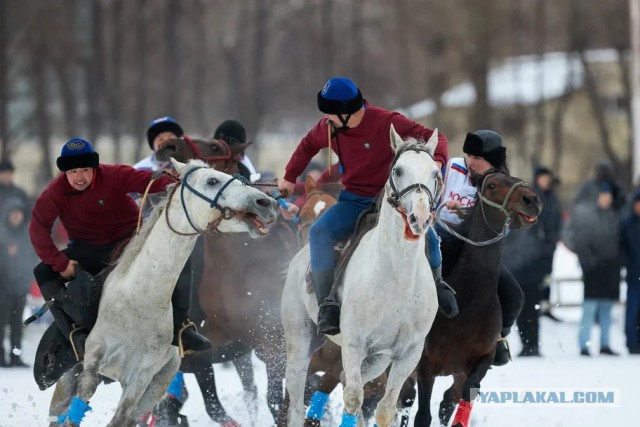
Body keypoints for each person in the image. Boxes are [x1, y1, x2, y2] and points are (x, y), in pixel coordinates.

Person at [277, 77, 452, 335]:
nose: (326, 117)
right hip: (353, 200)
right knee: (318, 233)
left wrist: (435, 162)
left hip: (392, 202)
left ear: (346, 112)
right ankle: (327, 304)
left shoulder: (387, 121)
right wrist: (289, 178)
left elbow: (435, 138)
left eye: (331, 112)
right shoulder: (328, 127)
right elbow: (307, 147)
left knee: (431, 239)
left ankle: (438, 287)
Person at [29, 138, 212, 367]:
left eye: (84, 169)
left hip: (130, 242)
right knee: (43, 271)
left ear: (94, 167)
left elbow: (150, 182)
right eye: (73, 171)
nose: (79, 177)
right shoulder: (56, 192)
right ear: (65, 172)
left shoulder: (113, 175)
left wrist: (177, 177)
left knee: (179, 255)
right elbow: (37, 227)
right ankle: (75, 335)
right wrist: (60, 263)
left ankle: (181, 326)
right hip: (87, 249)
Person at [437, 130, 524, 366]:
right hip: (439, 237)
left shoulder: (502, 186)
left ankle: (497, 338)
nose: (470, 161)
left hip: (475, 249)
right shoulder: (451, 167)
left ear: (493, 163)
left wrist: (468, 214)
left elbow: (505, 226)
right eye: (469, 155)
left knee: (514, 296)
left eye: (478, 158)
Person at [503, 166, 562, 357]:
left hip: (537, 260)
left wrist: (545, 251)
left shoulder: (551, 200)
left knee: (534, 305)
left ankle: (533, 344)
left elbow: (553, 229)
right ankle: (526, 343)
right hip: (520, 260)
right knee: (521, 305)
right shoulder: (529, 197)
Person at [564, 182, 622, 356]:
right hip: (592, 268)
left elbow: (618, 241)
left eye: (608, 196)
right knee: (589, 308)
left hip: (610, 268)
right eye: (603, 195)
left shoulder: (614, 215)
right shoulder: (587, 216)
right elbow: (578, 239)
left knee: (606, 308)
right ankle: (583, 344)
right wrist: (588, 260)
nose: (606, 199)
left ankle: (605, 344)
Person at [0, 196, 36, 367]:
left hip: (21, 288)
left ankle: (16, 356)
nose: (16, 217)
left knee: (17, 326)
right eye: (13, 213)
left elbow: (33, 259)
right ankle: (1, 357)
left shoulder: (27, 235)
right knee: (1, 324)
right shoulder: (2, 234)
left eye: (18, 213)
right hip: (3, 289)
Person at [619, 189, 640, 354]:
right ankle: (632, 343)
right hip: (634, 275)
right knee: (632, 311)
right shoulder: (627, 224)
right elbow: (622, 248)